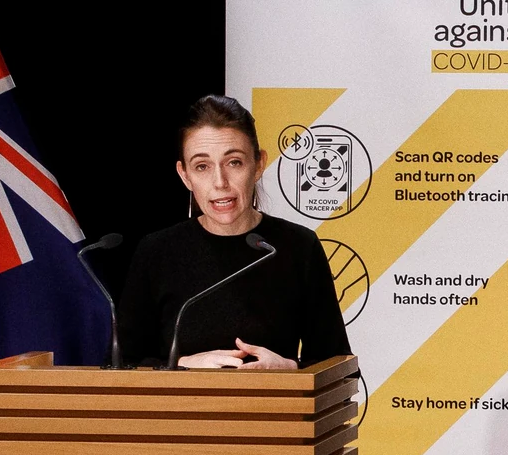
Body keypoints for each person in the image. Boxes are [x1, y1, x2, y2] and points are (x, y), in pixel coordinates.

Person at [116, 94, 353, 369]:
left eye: (234, 162)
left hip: (276, 399)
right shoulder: (157, 252)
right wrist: (181, 366)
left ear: (258, 165)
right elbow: (119, 366)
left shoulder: (298, 246)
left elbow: (340, 368)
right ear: (184, 175)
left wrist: (290, 370)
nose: (220, 182)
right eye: (202, 166)